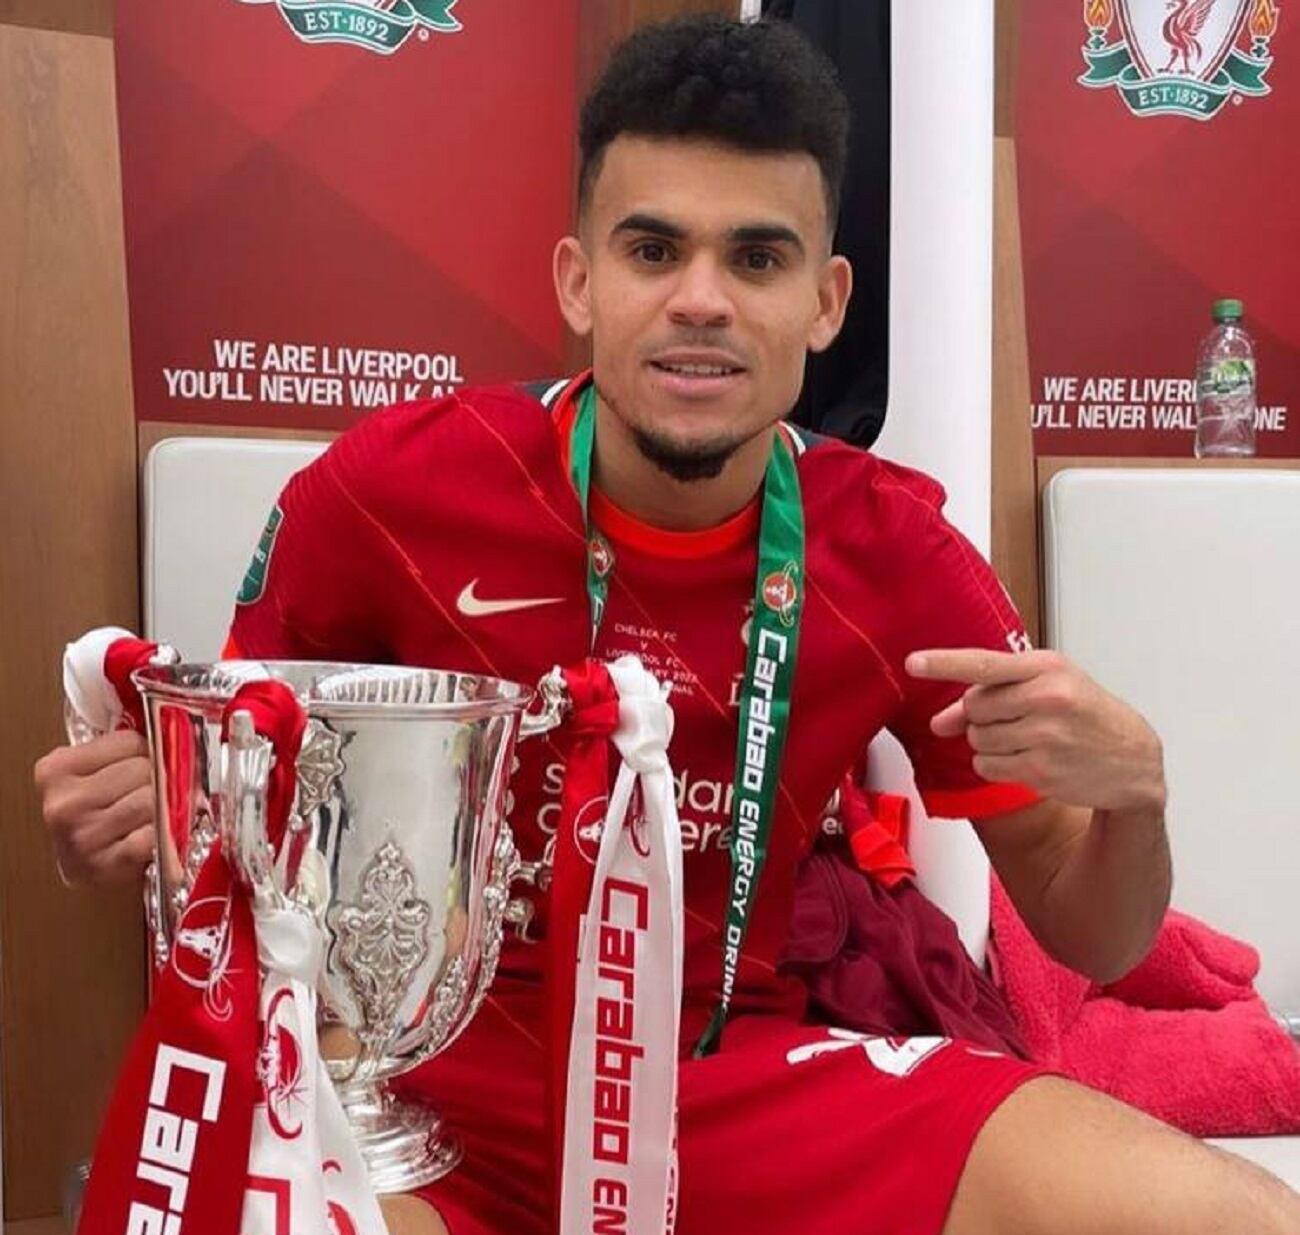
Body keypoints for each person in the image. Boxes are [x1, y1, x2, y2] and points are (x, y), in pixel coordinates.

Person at [33, 16, 1300, 1235]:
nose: (702, 300)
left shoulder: (900, 552)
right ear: (579, 280)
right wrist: (128, 819)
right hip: (421, 1093)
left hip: (723, 1079)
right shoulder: (387, 487)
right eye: (652, 251)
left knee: (1230, 1217)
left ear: (825, 300)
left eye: (756, 259)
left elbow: (1095, 932)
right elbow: (209, 804)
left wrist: (1138, 796)